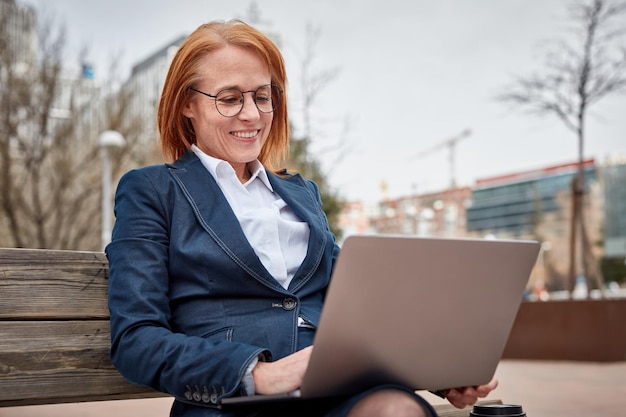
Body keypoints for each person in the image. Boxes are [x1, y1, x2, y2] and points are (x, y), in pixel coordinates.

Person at [106, 20, 497, 417]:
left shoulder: (300, 194)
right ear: (186, 104)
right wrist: (258, 374)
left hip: (336, 391)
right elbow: (136, 339)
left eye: (262, 96)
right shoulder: (153, 191)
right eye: (229, 99)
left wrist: (443, 373)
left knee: (396, 411)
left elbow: (365, 306)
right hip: (234, 402)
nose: (252, 115)